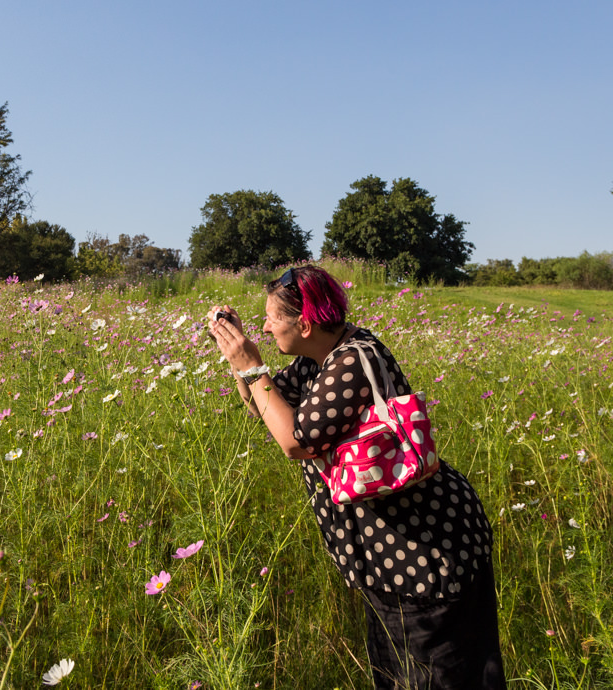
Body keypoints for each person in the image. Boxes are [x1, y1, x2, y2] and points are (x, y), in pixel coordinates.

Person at [208, 265, 505, 690]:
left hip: (425, 552)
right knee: (400, 675)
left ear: (305, 324)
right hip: (392, 556)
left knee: (437, 675)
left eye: (272, 317)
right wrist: (238, 360)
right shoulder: (319, 359)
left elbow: (295, 442)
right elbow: (264, 409)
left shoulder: (352, 361)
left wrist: (253, 365)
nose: (265, 326)